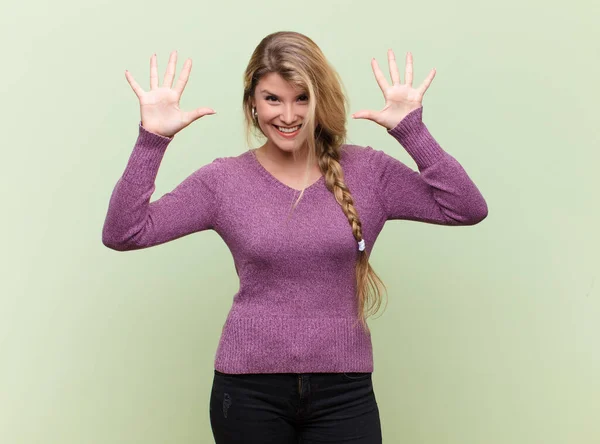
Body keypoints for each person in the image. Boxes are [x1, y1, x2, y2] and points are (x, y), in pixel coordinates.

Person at [102, 31, 488, 444]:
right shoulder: (223, 181)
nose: (288, 115)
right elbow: (124, 232)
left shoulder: (369, 173)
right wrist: (152, 140)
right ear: (252, 101)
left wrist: (412, 131)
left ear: (320, 98)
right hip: (248, 392)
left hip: (345, 390)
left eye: (301, 98)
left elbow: (466, 208)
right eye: (273, 99)